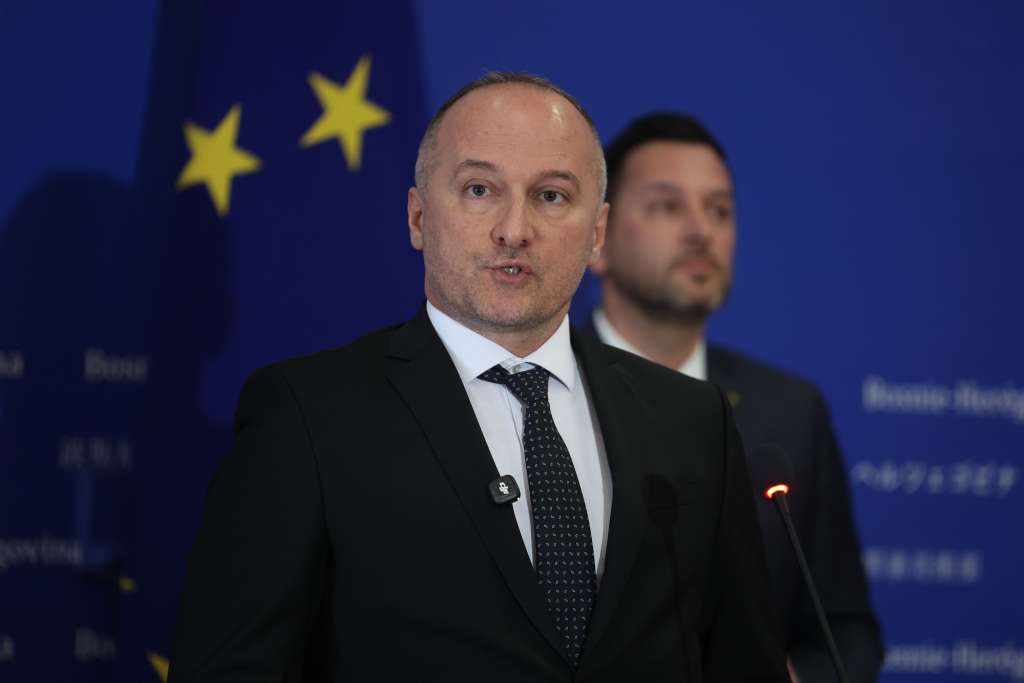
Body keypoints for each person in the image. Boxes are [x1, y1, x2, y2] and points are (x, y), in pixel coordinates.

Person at [168, 76, 789, 682]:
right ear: (418, 217)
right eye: (479, 190)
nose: (514, 229)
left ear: (597, 234)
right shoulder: (307, 416)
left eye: (551, 196)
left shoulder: (693, 422)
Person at [587, 112, 884, 682]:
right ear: (596, 240)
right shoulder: (541, 391)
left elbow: (846, 632)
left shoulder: (790, 412)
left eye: (719, 210)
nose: (701, 230)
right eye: (667, 206)